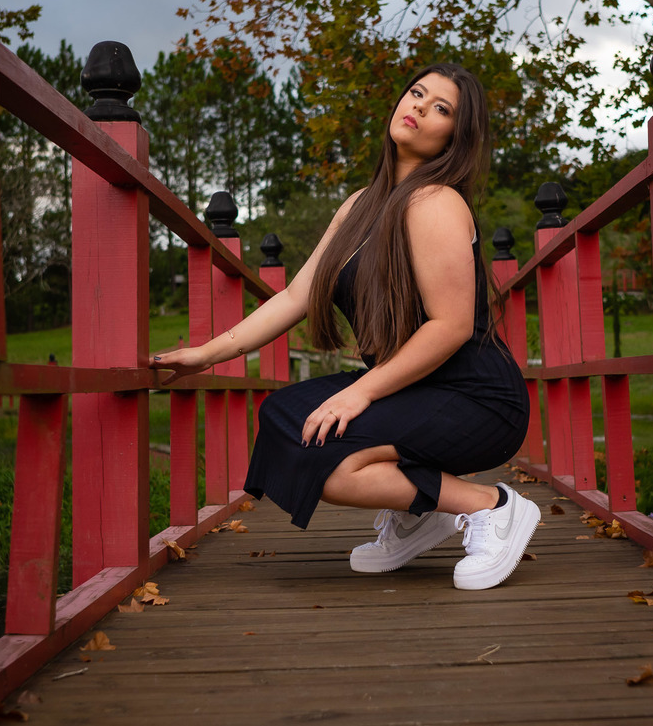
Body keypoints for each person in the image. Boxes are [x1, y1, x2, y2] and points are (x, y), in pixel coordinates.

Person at [152, 63, 535, 590]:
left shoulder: (436, 202)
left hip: (476, 396)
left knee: (327, 459)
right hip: (415, 388)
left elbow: (450, 327)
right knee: (287, 417)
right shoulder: (359, 206)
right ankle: (420, 514)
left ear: (455, 136)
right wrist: (207, 353)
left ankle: (491, 506)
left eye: (441, 108)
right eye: (417, 93)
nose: (420, 106)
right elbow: (295, 296)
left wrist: (358, 393)